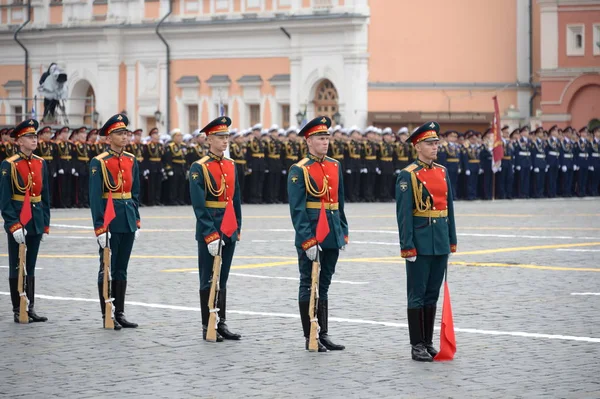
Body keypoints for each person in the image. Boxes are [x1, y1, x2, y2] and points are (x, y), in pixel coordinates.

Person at [395, 121, 457, 362]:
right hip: (420, 241)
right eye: (430, 144)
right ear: (417, 146)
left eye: (436, 143)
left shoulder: (442, 171)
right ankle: (416, 343)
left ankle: (428, 341)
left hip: (439, 239)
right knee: (417, 294)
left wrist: (452, 239)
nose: (435, 147)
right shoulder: (407, 175)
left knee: (432, 293)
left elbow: (449, 208)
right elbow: (403, 215)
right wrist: (407, 246)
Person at [287, 116, 349, 352]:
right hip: (312, 234)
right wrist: (307, 239)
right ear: (308, 141)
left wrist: (343, 230)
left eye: (327, 138)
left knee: (324, 285)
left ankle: (323, 333)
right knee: (308, 283)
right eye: (321, 139)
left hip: (331, 232)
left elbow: (339, 202)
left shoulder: (334, 165)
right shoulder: (299, 169)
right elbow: (298, 209)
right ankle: (310, 335)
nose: (325, 143)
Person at [189, 116, 242, 342]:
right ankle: (207, 323)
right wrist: (210, 234)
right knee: (208, 278)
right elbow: (199, 205)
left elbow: (236, 198)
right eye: (220, 137)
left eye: (227, 136)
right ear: (208, 140)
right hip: (210, 227)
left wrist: (237, 227)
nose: (225, 141)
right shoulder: (198, 167)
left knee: (223, 278)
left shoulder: (230, 165)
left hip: (228, 226)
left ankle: (221, 322)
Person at [89, 113, 141, 330]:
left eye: (125, 133)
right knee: (107, 267)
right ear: (108, 138)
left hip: (127, 218)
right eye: (120, 133)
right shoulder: (99, 162)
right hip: (110, 221)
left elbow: (135, 192)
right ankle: (107, 314)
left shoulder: (131, 159)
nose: (124, 136)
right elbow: (94, 198)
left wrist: (136, 220)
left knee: (122, 268)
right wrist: (100, 228)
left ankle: (120, 312)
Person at [1, 119, 50, 323]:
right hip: (19, 220)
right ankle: (17, 307)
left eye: (35, 136)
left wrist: (45, 223)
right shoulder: (9, 165)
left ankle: (29, 307)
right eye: (30, 137)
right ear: (19, 141)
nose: (34, 139)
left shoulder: (40, 163)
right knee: (16, 264)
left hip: (36, 219)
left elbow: (45, 196)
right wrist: (13, 225)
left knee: (30, 264)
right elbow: (5, 199)